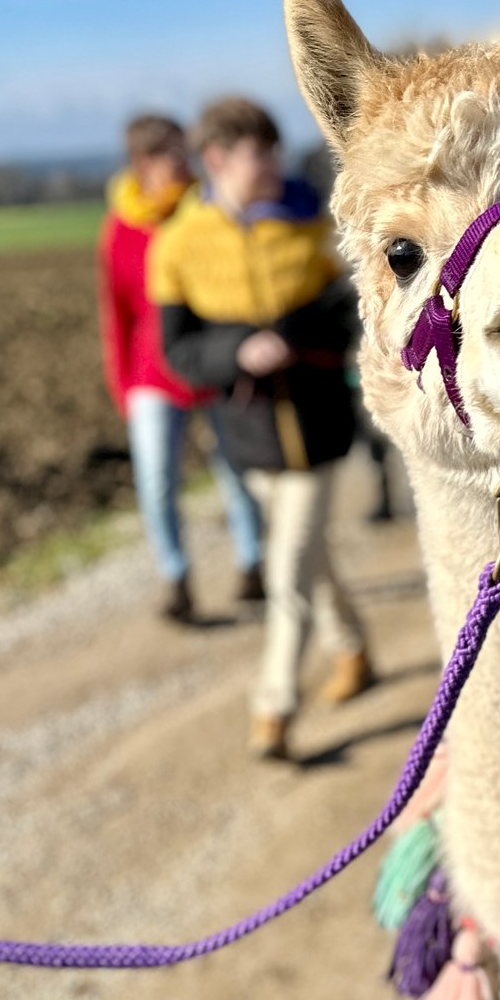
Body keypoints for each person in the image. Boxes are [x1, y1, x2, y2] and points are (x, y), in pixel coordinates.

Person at [148, 98, 374, 762]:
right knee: (309, 556)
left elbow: (352, 312)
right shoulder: (178, 247)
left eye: (275, 150)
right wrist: (238, 353)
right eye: (259, 151)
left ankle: (272, 707)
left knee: (288, 572)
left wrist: (294, 338)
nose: (273, 162)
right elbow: (178, 351)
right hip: (246, 435)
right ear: (216, 159)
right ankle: (355, 648)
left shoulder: (312, 229)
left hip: (317, 425)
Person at [98, 113, 265, 622]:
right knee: (156, 483)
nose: (185, 161)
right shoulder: (121, 230)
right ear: (143, 162)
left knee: (236, 473)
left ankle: (253, 567)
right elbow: (117, 312)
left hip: (210, 366)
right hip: (151, 379)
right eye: (173, 152)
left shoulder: (207, 211)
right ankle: (176, 581)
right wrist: (122, 385)